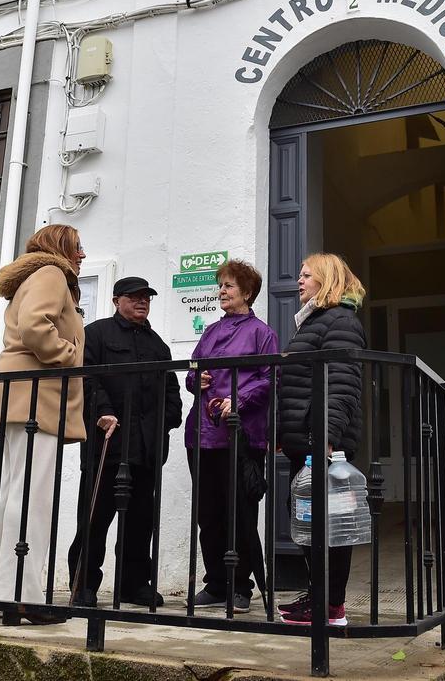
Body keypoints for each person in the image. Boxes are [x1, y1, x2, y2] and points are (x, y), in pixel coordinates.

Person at [0, 224, 87, 626]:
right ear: (62, 247)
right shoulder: (52, 273)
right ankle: (24, 597)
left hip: (19, 392)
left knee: (15, 495)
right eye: (77, 247)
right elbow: (35, 325)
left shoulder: (32, 276)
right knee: (32, 498)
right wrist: (67, 354)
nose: (82, 255)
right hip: (36, 395)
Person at [67, 276, 183, 608]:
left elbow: (171, 390)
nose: (141, 302)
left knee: (139, 522)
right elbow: (86, 378)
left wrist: (166, 422)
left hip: (146, 450)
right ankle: (83, 585)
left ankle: (134, 585)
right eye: (134, 297)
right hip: (107, 444)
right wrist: (102, 411)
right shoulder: (98, 334)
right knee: (94, 519)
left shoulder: (157, 344)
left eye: (146, 297)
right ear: (117, 300)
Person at [275, 253, 367, 627]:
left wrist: (325, 438)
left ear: (326, 280)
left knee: (327, 523)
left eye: (306, 275)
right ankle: (321, 598)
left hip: (322, 443)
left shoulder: (340, 321)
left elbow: (341, 384)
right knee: (308, 519)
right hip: (304, 440)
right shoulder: (316, 321)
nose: (298, 281)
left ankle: (330, 607)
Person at [184, 260, 279, 613]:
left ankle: (241, 586)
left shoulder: (261, 332)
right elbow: (192, 372)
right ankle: (215, 583)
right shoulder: (209, 332)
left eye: (229, 286)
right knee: (207, 513)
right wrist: (197, 381)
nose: (222, 291)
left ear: (247, 292)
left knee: (239, 513)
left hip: (240, 436)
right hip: (201, 434)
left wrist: (237, 400)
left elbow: (270, 379)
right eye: (220, 285)